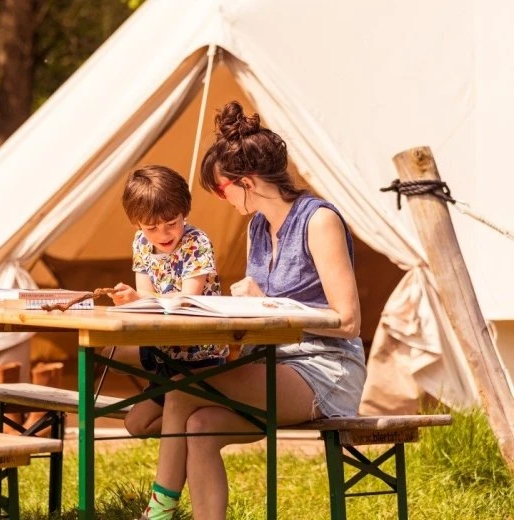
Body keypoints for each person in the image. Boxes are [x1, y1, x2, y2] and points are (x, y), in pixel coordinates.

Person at [135, 102, 367, 520]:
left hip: (326, 369)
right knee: (200, 426)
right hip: (272, 364)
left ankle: (158, 513)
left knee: (183, 388)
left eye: (222, 191)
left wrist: (271, 303)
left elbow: (348, 319)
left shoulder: (319, 221)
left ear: (246, 182)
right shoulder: (257, 228)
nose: (222, 201)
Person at [106, 165, 229, 437]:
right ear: (137, 224)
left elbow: (187, 302)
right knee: (135, 424)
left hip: (200, 356)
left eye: (172, 223)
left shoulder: (196, 243)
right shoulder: (141, 242)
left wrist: (140, 299)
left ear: (184, 212)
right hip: (165, 355)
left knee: (178, 411)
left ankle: (204, 417)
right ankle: (191, 420)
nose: (163, 234)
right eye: (152, 227)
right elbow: (144, 298)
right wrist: (130, 301)